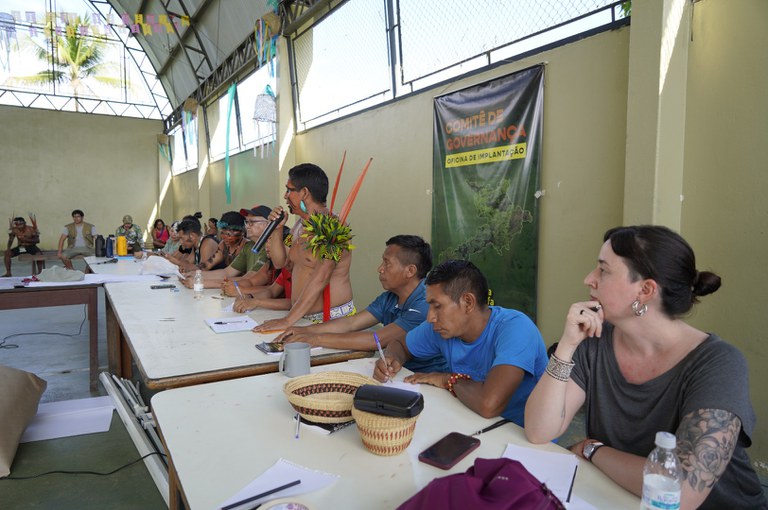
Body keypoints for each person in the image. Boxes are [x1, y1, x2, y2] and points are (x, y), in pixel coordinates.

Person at [523, 225, 767, 509]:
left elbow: (680, 490)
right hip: (621, 498)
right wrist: (566, 346)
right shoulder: (594, 342)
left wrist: (592, 449)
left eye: (604, 270)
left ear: (646, 290)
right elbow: (539, 430)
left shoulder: (718, 363)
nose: (589, 279)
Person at [374, 260, 547, 427]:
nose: (430, 317)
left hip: (522, 437)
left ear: (468, 303)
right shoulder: (441, 327)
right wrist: (391, 358)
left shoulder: (516, 328)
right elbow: (400, 344)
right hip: (470, 421)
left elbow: (489, 405)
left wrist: (448, 380)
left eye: (437, 306)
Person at [275, 235, 446, 373]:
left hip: (427, 379)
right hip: (398, 372)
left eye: (387, 263)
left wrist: (315, 339)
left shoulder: (425, 303)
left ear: (410, 271)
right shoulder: (390, 297)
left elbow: (376, 340)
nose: (380, 268)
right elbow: (352, 322)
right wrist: (304, 330)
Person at [252, 163, 355, 334]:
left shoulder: (335, 229)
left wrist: (287, 321)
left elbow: (322, 277)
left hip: (332, 321)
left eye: (289, 190)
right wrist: (277, 230)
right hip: (299, 318)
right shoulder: (298, 227)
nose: (285, 196)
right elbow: (280, 262)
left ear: (305, 193)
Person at [181, 206, 277, 290]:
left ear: (268, 224)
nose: (247, 226)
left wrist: (201, 283)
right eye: (246, 222)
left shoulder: (269, 247)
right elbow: (226, 272)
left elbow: (249, 279)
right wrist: (195, 275)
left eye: (252, 222)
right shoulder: (250, 246)